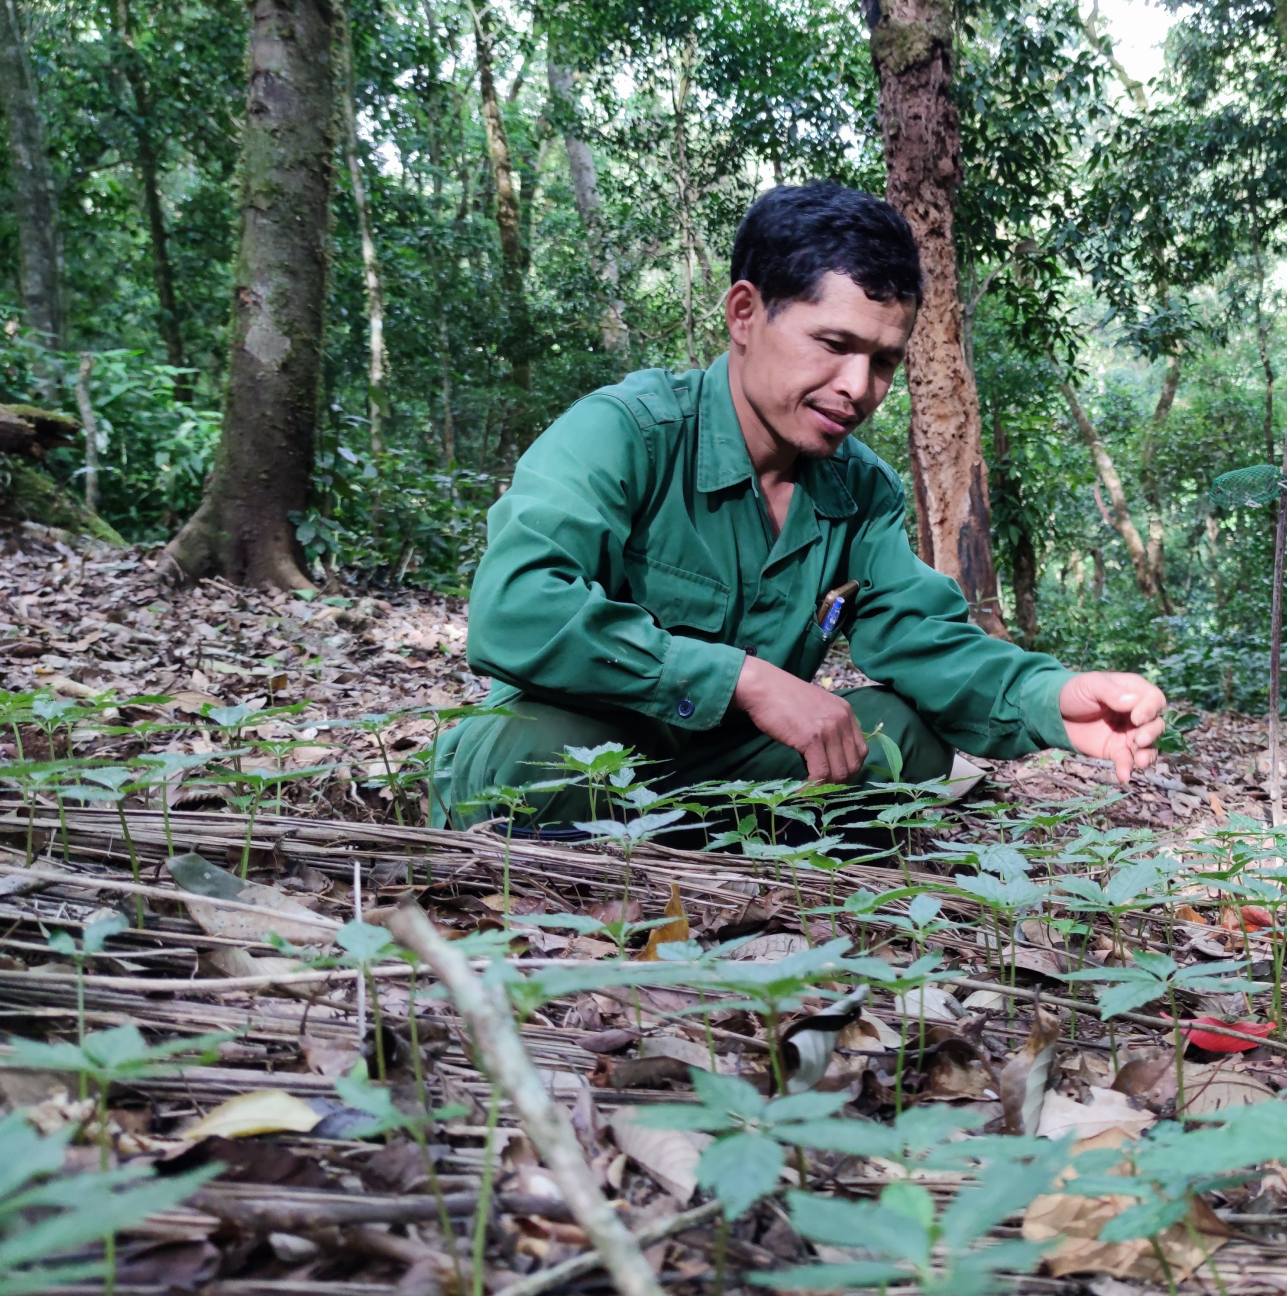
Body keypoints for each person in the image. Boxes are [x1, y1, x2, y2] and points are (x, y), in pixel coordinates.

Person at [430, 181, 1166, 829]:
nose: (858, 387)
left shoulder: (861, 491)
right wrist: (741, 679)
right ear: (745, 313)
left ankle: (696, 849)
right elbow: (517, 606)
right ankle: (700, 844)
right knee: (525, 761)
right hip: (588, 748)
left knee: (899, 737)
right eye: (833, 343)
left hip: (727, 768)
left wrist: (1051, 696)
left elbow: (921, 635)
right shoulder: (627, 432)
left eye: (882, 361)